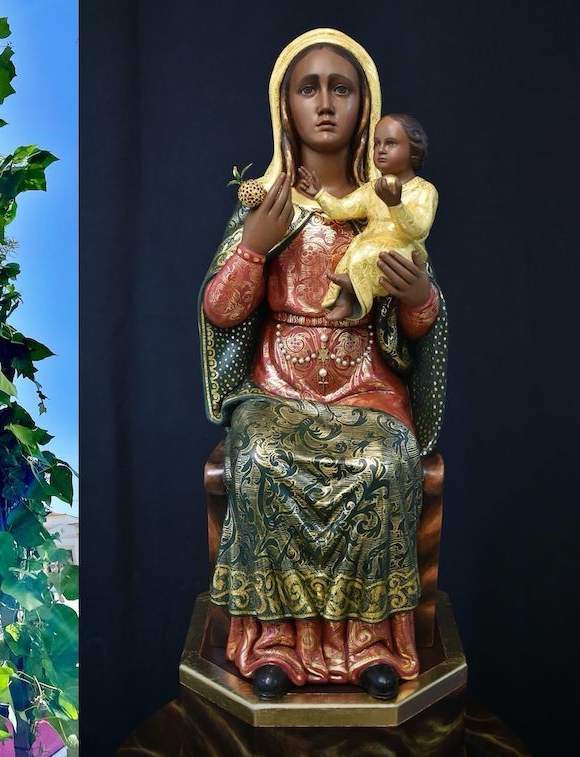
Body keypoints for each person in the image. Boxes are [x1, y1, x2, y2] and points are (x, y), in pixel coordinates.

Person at [199, 29, 447, 701]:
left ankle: (369, 642)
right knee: (261, 460)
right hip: (276, 387)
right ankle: (273, 642)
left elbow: (419, 324)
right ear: (285, 105)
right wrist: (253, 247)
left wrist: (418, 297)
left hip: (367, 384)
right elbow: (222, 310)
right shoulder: (268, 203)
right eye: (309, 88)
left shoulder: (387, 208)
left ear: (366, 106)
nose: (326, 103)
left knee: (384, 461)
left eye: (342, 88)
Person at [296, 113, 438, 321]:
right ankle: (345, 301)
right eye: (376, 144)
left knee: (368, 254)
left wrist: (396, 205)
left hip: (402, 251)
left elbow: (418, 230)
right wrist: (319, 194)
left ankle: (356, 286)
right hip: (369, 245)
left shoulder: (424, 190)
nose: (381, 150)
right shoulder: (372, 189)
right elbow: (342, 209)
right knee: (353, 253)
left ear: (413, 150)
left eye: (390, 143)